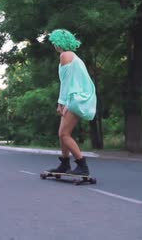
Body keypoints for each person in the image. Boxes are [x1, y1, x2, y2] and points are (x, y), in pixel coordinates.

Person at [46, 29, 97, 176]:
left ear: (59, 42)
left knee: (64, 134)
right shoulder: (72, 56)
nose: (53, 45)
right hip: (75, 96)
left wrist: (61, 103)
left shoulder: (65, 55)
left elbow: (66, 83)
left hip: (77, 97)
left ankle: (82, 165)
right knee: (63, 133)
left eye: (54, 42)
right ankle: (64, 163)